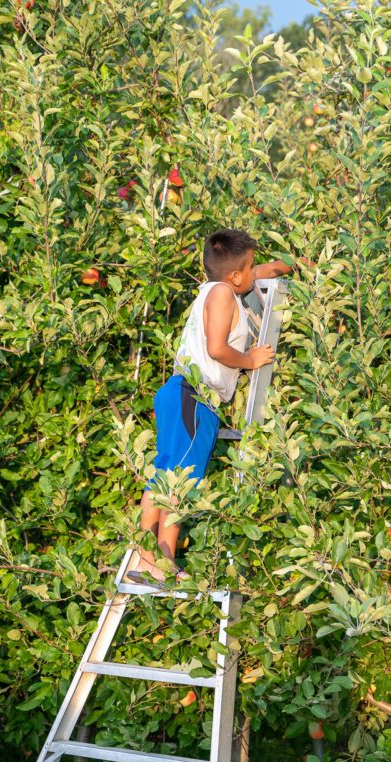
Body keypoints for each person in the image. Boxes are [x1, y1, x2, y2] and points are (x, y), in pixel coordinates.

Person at [127, 228, 292, 584]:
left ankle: (144, 558)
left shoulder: (215, 287)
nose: (255, 272)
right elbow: (218, 348)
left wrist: (293, 265)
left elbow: (262, 271)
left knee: (163, 472)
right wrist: (249, 360)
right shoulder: (222, 296)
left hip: (177, 392)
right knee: (180, 479)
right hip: (195, 398)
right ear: (235, 276)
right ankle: (163, 560)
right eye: (249, 268)